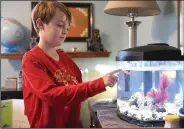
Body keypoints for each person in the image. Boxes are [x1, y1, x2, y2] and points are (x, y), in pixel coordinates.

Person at [22, 0, 121, 128]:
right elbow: (51, 95)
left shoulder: (65, 58)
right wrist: (100, 83)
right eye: (60, 25)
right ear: (40, 24)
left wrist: (103, 81)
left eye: (67, 27)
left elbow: (77, 90)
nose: (65, 31)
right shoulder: (31, 59)